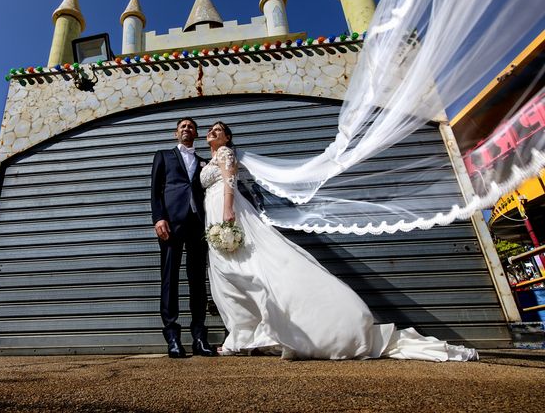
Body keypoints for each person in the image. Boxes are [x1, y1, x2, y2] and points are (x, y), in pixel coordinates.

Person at [200, 121, 478, 361]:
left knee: (252, 270)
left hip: (227, 212)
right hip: (211, 213)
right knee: (229, 276)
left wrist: (228, 212)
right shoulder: (208, 159)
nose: (213, 132)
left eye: (219, 130)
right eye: (211, 130)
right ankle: (246, 336)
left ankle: (273, 330)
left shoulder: (225, 154)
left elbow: (230, 182)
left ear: (227, 139)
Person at [151, 117, 215, 358]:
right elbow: (155, 189)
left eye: (190, 127)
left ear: (196, 134)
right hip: (171, 224)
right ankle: (172, 337)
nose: (186, 129)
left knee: (197, 281)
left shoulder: (203, 162)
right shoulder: (163, 156)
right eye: (182, 127)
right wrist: (158, 218)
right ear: (175, 133)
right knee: (169, 278)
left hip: (198, 224)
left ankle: (199, 336)